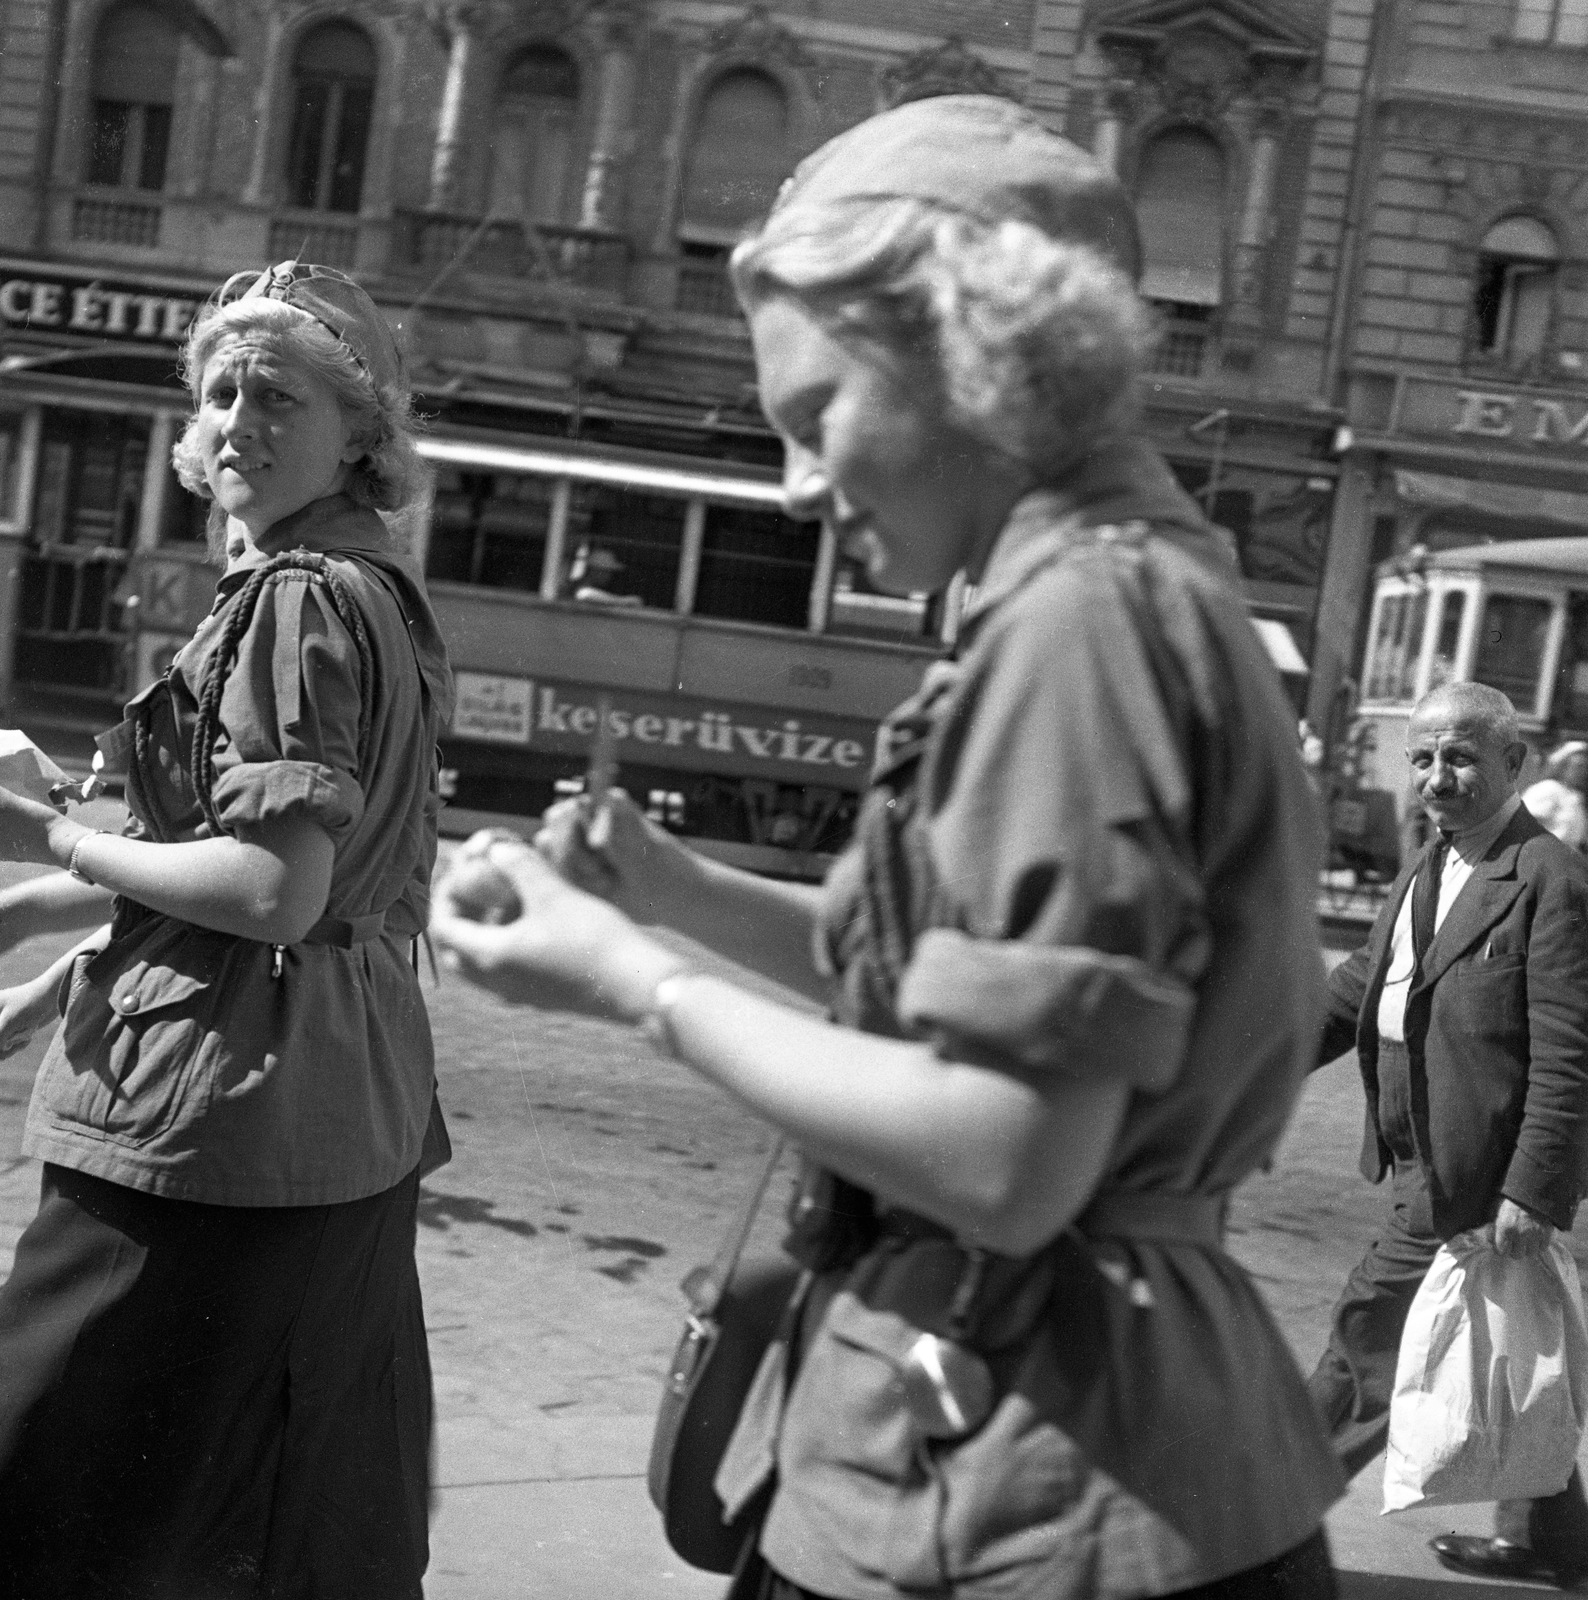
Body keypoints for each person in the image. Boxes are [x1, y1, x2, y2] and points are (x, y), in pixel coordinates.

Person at [432, 95, 1343, 1600]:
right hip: (1094, 1444)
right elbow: (946, 985)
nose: (796, 485)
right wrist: (665, 891)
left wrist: (630, 984)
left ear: (964, 353)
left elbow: (1003, 1153)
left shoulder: (1078, 624)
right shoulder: (1123, 582)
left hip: (1019, 1476)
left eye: (814, 419)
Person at [0, 259, 454, 1599]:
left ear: (360, 433)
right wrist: (41, 925)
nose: (238, 419)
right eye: (219, 390)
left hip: (205, 1125)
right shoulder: (381, 593)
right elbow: (312, 879)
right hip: (350, 1107)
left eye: (279, 393)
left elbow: (271, 891)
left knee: (50, 1492)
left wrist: (49, 838)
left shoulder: (295, 598)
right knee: (288, 1519)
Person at [1309, 681, 1588, 1586]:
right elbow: (1365, 983)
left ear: (1516, 764)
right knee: (1507, 1350)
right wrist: (1242, 1054)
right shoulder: (1434, 860)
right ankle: (1555, 1543)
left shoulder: (1551, 879)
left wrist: (1532, 1188)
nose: (1437, 775)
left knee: (1368, 1342)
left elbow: (1570, 1053)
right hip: (1415, 1149)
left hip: (1470, 1167)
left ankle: (1255, 1538)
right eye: (1423, 756)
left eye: (1460, 756)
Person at [1523, 738, 1588, 853]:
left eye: (1585, 768)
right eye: (1579, 766)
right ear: (1563, 766)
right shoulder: (1548, 789)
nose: (1583, 772)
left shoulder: (1576, 797)